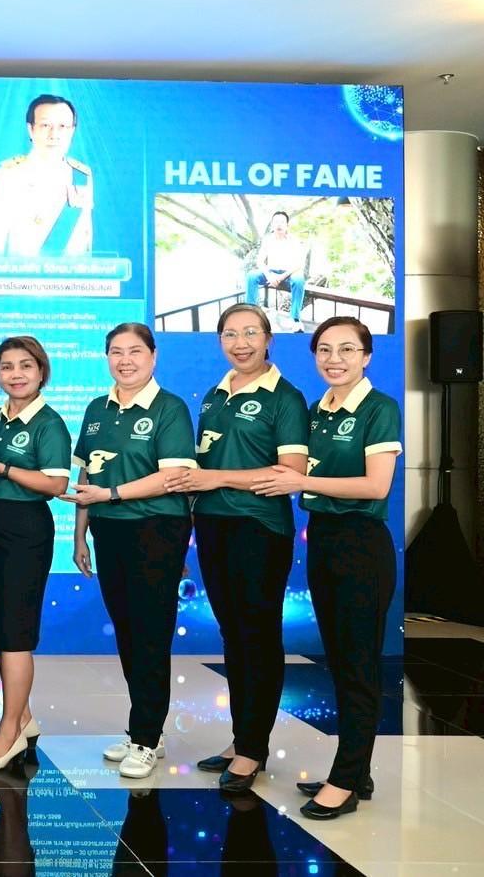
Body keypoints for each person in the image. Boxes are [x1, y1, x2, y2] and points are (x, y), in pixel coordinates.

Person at [252, 316, 401, 820]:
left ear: (366, 356)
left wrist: (302, 484)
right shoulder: (317, 411)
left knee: (358, 663)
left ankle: (346, 780)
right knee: (339, 660)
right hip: (325, 542)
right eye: (324, 350)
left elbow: (376, 486)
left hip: (361, 544)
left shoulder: (379, 408)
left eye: (346, 349)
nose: (334, 359)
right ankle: (356, 769)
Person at [166, 304, 309, 793]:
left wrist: (217, 478)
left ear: (269, 339)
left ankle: (252, 750)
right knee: (233, 636)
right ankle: (242, 738)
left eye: (250, 333)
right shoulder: (215, 395)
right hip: (214, 526)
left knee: (258, 636)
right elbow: (199, 470)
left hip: (259, 528)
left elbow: (290, 473)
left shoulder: (285, 398)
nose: (240, 342)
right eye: (230, 334)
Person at [65, 322, 197, 780]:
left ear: (153, 356)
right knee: (127, 633)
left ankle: (145, 736)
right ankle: (146, 730)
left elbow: (173, 476)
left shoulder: (169, 408)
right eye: (116, 352)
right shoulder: (96, 409)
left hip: (155, 531)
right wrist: (79, 534)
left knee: (150, 635)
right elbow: (86, 476)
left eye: (135, 351)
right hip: (109, 530)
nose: (125, 360)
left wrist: (113, 494)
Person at [0, 335, 71, 773]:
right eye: (7, 367)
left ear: (41, 371)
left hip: (24, 533)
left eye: (26, 365)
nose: (16, 374)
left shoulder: (49, 423)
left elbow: (56, 484)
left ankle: (7, 734)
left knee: (15, 636)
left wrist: (4, 468)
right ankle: (24, 721)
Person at [0, 94, 92, 258]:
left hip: (70, 273)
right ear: (30, 129)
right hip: (21, 272)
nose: (54, 134)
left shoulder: (82, 176)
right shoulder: (7, 174)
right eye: (45, 125)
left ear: (72, 131)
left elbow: (84, 237)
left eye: (62, 126)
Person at [244, 211, 308, 329]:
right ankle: (251, 313)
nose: (279, 224)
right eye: (276, 222)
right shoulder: (267, 240)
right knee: (251, 276)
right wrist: (269, 276)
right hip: (271, 273)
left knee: (299, 280)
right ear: (272, 225)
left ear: (287, 225)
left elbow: (299, 264)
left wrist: (281, 277)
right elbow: (260, 262)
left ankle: (295, 318)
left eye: (282, 222)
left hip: (289, 274)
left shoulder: (294, 241)